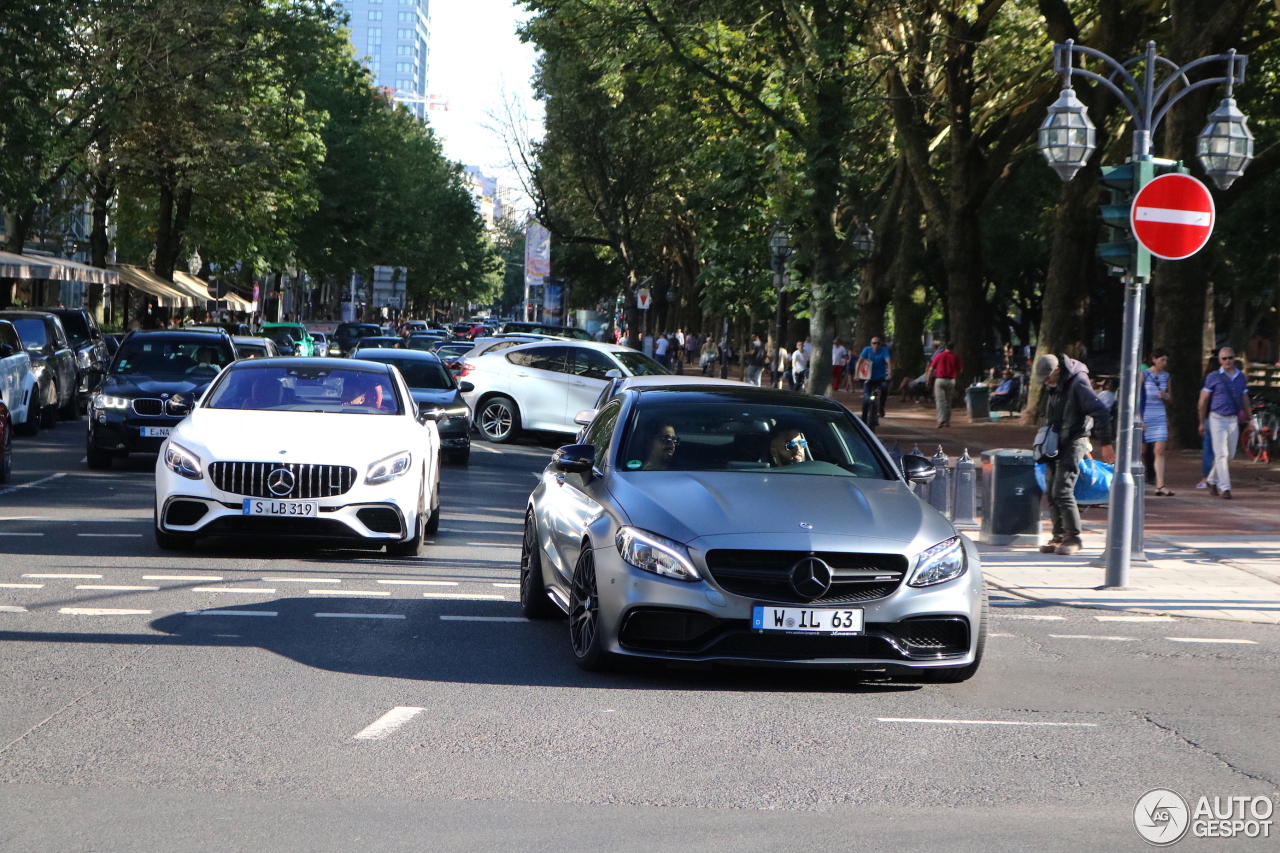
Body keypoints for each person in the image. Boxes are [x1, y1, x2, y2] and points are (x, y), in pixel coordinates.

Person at [1035, 354, 1116, 556]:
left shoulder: (1078, 382)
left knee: (1063, 489)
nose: (1046, 383)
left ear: (1057, 371)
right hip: (1056, 440)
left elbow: (1100, 411)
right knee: (1052, 490)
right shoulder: (1054, 385)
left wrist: (1105, 443)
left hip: (1074, 440)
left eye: (1047, 378)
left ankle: (1073, 538)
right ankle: (1059, 536)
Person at [1199, 346, 1250, 499]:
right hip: (1217, 418)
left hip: (1233, 419)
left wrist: (1250, 418)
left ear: (1234, 359)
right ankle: (1225, 487)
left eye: (1230, 358)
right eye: (1224, 358)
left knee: (1230, 455)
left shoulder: (1241, 377)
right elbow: (1203, 400)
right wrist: (1201, 421)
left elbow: (1245, 399)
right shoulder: (1213, 377)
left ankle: (1211, 479)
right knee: (1221, 453)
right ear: (1220, 360)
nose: (1228, 361)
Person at [1142, 348, 1174, 496]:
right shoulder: (1144, 374)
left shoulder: (1166, 376)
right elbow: (1136, 396)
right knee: (1141, 450)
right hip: (1145, 413)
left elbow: (1170, 398)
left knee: (1160, 449)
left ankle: (1160, 484)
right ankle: (1138, 476)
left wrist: (1165, 395)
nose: (1164, 363)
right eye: (1162, 360)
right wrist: (1138, 416)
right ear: (1154, 359)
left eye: (1166, 360)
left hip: (1159, 414)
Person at [926, 341, 962, 427]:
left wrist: (928, 380)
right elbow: (960, 369)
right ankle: (947, 421)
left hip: (940, 379)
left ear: (945, 347)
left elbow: (931, 369)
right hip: (951, 380)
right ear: (953, 348)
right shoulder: (955, 357)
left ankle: (940, 420)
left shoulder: (939, 356)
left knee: (940, 401)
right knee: (948, 401)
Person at [855, 336, 891, 421]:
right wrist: (856, 375)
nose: (876, 345)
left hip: (881, 378)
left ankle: (881, 406)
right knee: (866, 399)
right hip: (868, 378)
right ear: (871, 344)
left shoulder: (884, 350)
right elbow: (859, 361)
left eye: (878, 343)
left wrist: (889, 374)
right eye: (874, 343)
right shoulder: (867, 350)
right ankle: (863, 419)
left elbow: (889, 362)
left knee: (885, 387)